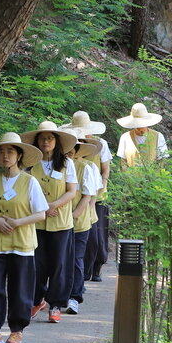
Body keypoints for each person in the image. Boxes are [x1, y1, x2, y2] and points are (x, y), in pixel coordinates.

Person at [0, 133, 48, 343]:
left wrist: (17, 222)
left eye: (10, 151)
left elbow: (41, 213)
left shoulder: (29, 181)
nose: (5, 156)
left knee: (20, 289)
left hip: (22, 244)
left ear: (19, 155)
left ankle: (17, 331)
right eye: (2, 152)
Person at [22, 121, 79, 323]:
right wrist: (42, 208)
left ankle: (55, 304)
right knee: (37, 263)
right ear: (37, 141)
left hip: (60, 221)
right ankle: (36, 299)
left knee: (59, 264)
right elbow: (24, 190)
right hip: (36, 221)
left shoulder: (67, 163)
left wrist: (53, 205)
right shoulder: (29, 163)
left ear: (56, 142)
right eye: (42, 138)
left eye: (50, 138)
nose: (46, 142)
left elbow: (71, 191)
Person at [62, 111, 111, 282]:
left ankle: (94, 268)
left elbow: (105, 171)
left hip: (97, 194)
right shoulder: (70, 147)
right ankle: (80, 275)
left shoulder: (101, 144)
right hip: (75, 196)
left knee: (96, 237)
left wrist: (96, 194)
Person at [65, 136, 104, 315]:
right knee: (60, 260)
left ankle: (74, 296)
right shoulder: (58, 168)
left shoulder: (86, 168)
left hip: (79, 222)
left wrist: (74, 216)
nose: (69, 153)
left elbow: (89, 196)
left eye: (72, 150)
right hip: (56, 223)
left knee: (76, 259)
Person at [116, 103, 169, 167]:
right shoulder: (125, 137)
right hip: (131, 173)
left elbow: (162, 160)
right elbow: (123, 161)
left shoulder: (158, 136)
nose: (140, 128)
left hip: (152, 172)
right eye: (137, 125)